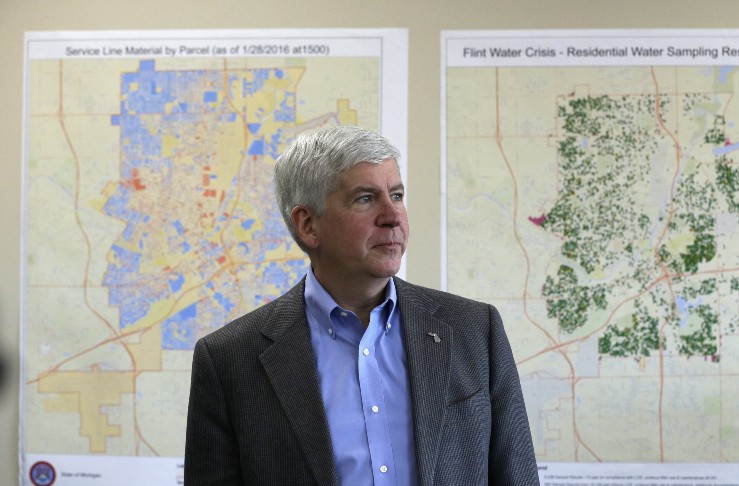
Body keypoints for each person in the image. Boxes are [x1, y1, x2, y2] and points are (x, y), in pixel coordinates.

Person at [184, 125, 539, 486]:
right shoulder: (229, 359)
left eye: (397, 195)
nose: (393, 215)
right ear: (308, 225)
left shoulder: (475, 330)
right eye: (366, 198)